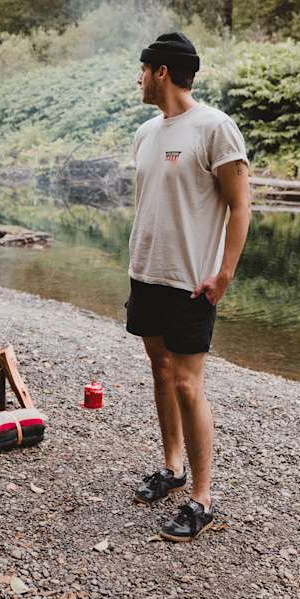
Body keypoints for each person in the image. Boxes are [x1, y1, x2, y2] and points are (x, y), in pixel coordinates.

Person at [125, 31, 251, 542]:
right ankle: (172, 468)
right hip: (146, 273)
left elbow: (241, 205)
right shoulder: (145, 133)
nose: (137, 79)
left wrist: (224, 274)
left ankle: (202, 499)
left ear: (161, 71)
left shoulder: (214, 128)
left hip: (190, 282)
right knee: (159, 370)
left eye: (142, 69)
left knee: (187, 384)